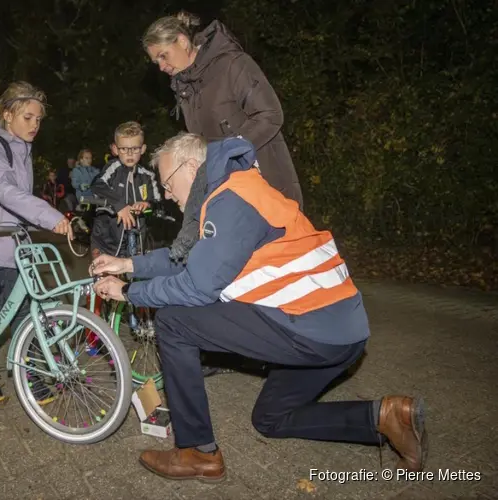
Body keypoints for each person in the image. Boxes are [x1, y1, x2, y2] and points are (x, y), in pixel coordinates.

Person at [91, 132, 426, 482]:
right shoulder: (236, 190)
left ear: (191, 167)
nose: (166, 194)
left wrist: (130, 293)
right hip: (340, 334)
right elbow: (188, 260)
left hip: (309, 328)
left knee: (175, 321)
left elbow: (196, 286)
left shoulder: (230, 199)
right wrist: (127, 265)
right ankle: (385, 417)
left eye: (167, 183)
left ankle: (197, 452)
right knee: (269, 419)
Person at [143, 11, 305, 377]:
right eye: (156, 61)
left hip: (264, 185)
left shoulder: (232, 64)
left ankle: (292, 350)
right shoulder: (187, 87)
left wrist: (227, 152)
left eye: (163, 56)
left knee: (267, 269)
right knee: (220, 266)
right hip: (224, 188)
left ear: (184, 43)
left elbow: (270, 114)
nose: (161, 66)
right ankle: (225, 350)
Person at [0, 81, 73, 404]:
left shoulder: (22, 149)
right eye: (28, 117)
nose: (35, 125)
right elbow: (6, 192)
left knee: (28, 313)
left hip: (14, 249)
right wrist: (50, 216)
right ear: (7, 115)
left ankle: (32, 375)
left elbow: (18, 201)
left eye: (39, 119)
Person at [89, 121, 162, 260]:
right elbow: (97, 184)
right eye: (124, 149)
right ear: (115, 149)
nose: (129, 153)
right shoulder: (113, 168)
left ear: (143, 149)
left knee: (131, 277)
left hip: (136, 240)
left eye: (135, 148)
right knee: (103, 277)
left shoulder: (148, 175)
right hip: (106, 240)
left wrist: (148, 204)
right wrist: (119, 205)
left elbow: (158, 201)